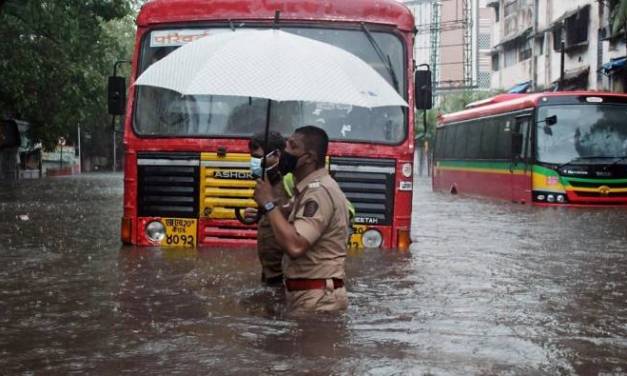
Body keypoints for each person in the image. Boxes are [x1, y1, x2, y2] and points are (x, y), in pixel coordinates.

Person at [253, 125, 350, 314]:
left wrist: (269, 205)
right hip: (308, 295)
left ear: (309, 157)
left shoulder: (318, 192)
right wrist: (265, 208)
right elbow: (287, 220)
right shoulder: (305, 189)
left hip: (318, 299)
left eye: (292, 146)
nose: (284, 152)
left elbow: (295, 245)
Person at [247, 131, 291, 286]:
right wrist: (257, 215)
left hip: (285, 272)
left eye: (259, 157)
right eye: (252, 157)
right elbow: (270, 216)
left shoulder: (289, 181)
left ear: (277, 154)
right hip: (269, 270)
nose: (254, 161)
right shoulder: (265, 181)